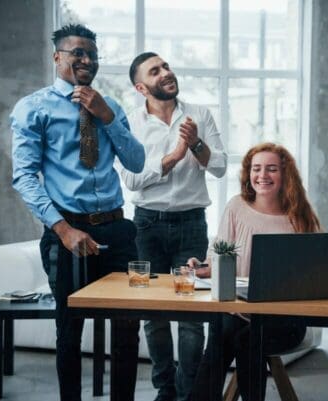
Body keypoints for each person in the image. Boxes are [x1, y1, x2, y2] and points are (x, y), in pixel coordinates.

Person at [11, 24, 145, 401]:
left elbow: (135, 161)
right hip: (67, 233)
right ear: (58, 58)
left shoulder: (110, 106)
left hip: (117, 231)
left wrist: (106, 116)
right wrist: (63, 230)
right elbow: (23, 177)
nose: (87, 60)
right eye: (78, 53)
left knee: (126, 329)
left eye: (93, 55)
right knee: (69, 330)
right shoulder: (33, 108)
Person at [118, 52, 227, 401]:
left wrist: (195, 143)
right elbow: (132, 181)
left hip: (192, 223)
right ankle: (165, 391)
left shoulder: (200, 114)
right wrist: (175, 155)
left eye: (166, 66)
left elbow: (221, 167)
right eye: (155, 70)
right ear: (140, 86)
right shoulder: (130, 123)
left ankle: (189, 394)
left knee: (193, 313)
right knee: (153, 313)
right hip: (146, 226)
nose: (166, 72)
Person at [188, 142, 321, 401]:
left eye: (271, 169)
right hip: (240, 310)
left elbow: (316, 271)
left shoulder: (301, 216)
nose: (262, 176)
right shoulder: (236, 207)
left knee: (244, 336)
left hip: (285, 318)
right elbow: (218, 257)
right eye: (256, 169)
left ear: (285, 174)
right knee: (227, 331)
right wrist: (204, 267)